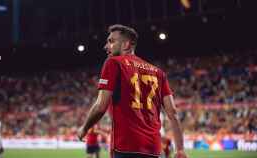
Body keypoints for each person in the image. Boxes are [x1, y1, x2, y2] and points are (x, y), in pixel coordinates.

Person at [78, 24, 187, 158]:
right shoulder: (159, 73)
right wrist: (180, 149)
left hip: (125, 146)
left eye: (111, 41)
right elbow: (173, 113)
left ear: (126, 45)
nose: (106, 46)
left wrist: (84, 128)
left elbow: (101, 106)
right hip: (153, 148)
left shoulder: (113, 63)